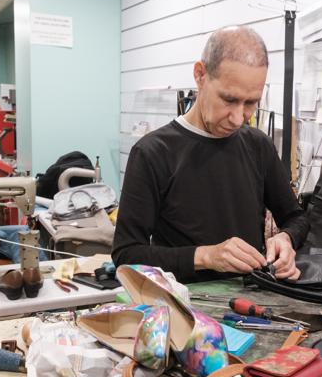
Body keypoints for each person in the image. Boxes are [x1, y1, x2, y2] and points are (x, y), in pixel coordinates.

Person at [112, 26, 309, 283]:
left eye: (251, 103)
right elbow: (126, 255)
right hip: (183, 308)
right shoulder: (153, 153)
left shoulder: (258, 146)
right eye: (229, 100)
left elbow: (296, 218)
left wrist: (286, 239)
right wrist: (205, 256)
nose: (239, 118)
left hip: (253, 301)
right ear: (200, 75)